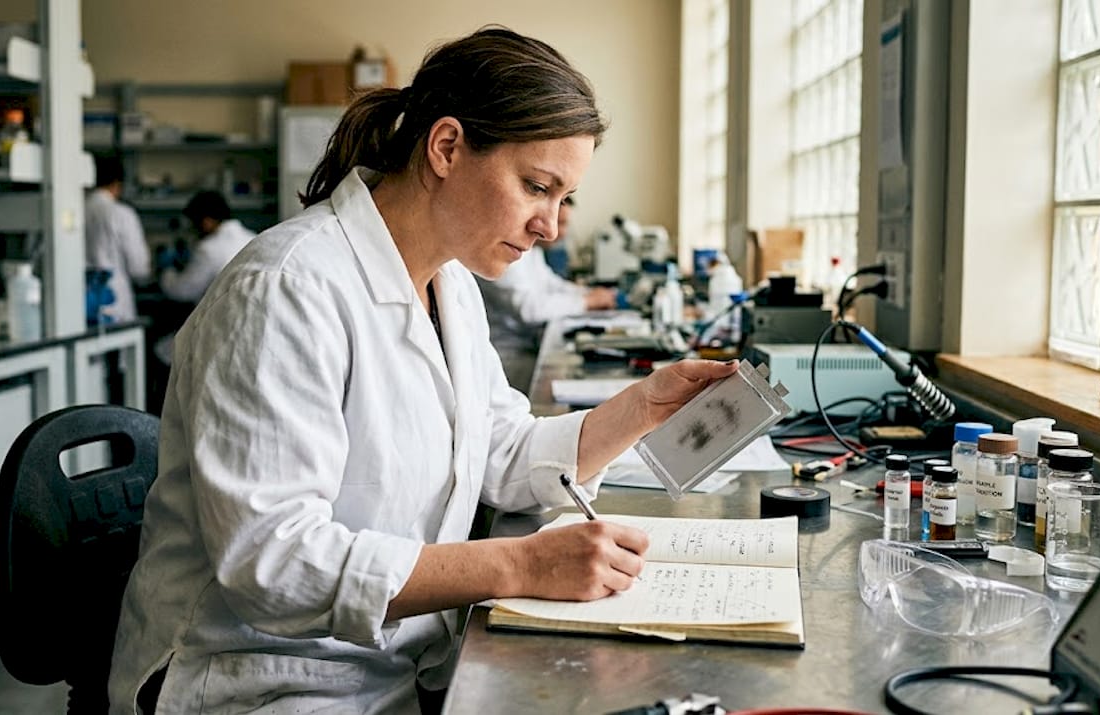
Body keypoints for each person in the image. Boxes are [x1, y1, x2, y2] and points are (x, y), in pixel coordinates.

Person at [109, 27, 737, 715]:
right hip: (254, 680)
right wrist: (520, 564)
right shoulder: (288, 288)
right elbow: (272, 559)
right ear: (446, 148)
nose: (550, 226)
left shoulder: (450, 285)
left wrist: (643, 405)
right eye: (537, 187)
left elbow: (501, 451)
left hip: (382, 669)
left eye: (562, 199)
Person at [478, 194, 617, 391]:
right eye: (559, 223)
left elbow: (551, 284)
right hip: (509, 361)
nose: (558, 232)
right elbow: (528, 308)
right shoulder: (502, 253)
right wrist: (586, 301)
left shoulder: (532, 252)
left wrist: (590, 294)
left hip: (528, 349)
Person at [158, 190, 256, 303]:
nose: (194, 231)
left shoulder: (208, 249)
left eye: (194, 225)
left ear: (207, 222)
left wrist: (167, 271)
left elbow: (183, 291)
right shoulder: (252, 238)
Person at [85, 155, 150, 323]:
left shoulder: (72, 210)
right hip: (115, 304)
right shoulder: (121, 213)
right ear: (118, 183)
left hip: (78, 304)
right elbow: (139, 268)